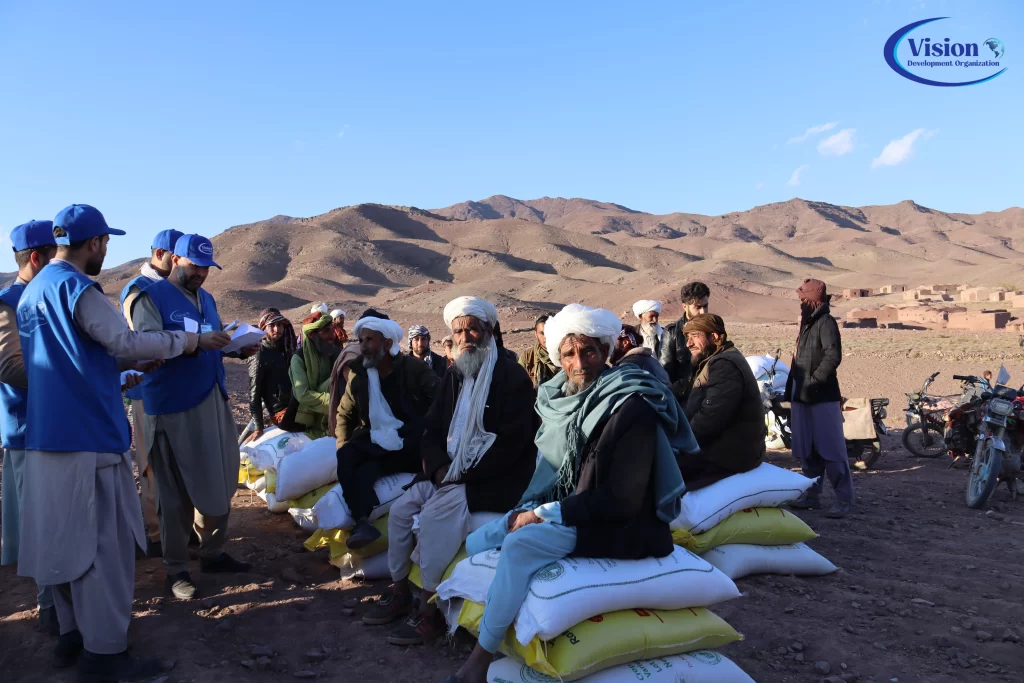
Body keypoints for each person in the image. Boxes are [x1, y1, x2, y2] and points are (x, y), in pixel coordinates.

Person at [443, 304, 698, 683]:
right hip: (576, 506)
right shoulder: (562, 403)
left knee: (519, 545)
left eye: (589, 351)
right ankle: (483, 620)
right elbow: (555, 473)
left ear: (606, 352)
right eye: (569, 353)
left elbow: (622, 500)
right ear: (558, 358)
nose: (579, 363)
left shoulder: (631, 409)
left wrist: (543, 515)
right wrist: (534, 507)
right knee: (480, 540)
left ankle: (481, 658)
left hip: (624, 525)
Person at [17, 204, 215, 681]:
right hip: (88, 440)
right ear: (95, 243)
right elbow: (122, 342)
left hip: (46, 437)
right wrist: (184, 343)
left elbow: (72, 362)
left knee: (62, 546)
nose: (107, 250)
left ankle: (72, 636)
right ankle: (104, 656)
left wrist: (121, 377)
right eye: (106, 242)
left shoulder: (31, 293)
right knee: (101, 553)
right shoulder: (76, 288)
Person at [364, 297, 537, 645]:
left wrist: (461, 477)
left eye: (473, 328)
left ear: (490, 331)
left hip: (490, 480)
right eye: (459, 330)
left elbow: (513, 445)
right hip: (449, 473)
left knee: (433, 519)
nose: (465, 336)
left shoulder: (512, 377)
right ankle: (399, 589)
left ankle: (429, 609)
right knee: (399, 512)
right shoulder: (454, 375)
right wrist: (439, 468)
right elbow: (432, 430)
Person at [132, 233, 256, 601]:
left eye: (206, 268)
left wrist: (235, 349)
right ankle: (176, 569)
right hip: (171, 405)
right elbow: (146, 344)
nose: (201, 273)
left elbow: (210, 342)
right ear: (174, 260)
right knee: (174, 492)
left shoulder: (207, 299)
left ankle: (213, 553)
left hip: (211, 398)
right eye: (195, 266)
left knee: (219, 477)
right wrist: (195, 345)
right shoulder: (148, 297)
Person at [0, 220, 59, 635]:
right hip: (26, 431)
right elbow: (9, 367)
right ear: (36, 258)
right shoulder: (7, 303)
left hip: (58, 426)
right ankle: (49, 607)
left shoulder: (50, 293)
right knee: (41, 524)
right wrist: (69, 376)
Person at [336, 315, 441, 549]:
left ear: (387, 344)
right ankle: (362, 522)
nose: (363, 347)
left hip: (412, 443)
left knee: (369, 468)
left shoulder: (413, 369)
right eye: (361, 340)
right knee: (350, 458)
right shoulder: (360, 374)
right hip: (377, 441)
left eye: (369, 340)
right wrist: (342, 446)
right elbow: (345, 413)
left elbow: (442, 400)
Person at [118, 228, 184, 556]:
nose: (181, 265)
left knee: (177, 464)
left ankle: (179, 530)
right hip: (148, 392)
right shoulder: (137, 291)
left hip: (179, 391)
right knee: (152, 465)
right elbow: (140, 342)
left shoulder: (176, 288)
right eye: (176, 258)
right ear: (159, 254)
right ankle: (157, 535)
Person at [785, 279, 853, 519]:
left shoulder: (826, 322)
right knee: (809, 450)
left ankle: (844, 499)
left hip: (822, 397)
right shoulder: (808, 324)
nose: (801, 304)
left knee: (831, 450)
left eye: (803, 300)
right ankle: (812, 496)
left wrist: (813, 381)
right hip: (802, 396)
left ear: (813, 300)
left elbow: (833, 356)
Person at [679, 314, 764, 490]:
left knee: (665, 475)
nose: (689, 344)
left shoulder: (724, 364)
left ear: (715, 337)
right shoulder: (712, 360)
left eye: (695, 336)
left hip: (729, 454)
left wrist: (681, 443)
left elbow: (710, 418)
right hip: (720, 447)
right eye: (688, 338)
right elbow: (684, 388)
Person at [243, 308, 301, 444]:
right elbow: (254, 393)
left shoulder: (286, 348)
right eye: (272, 325)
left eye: (280, 325)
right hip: (281, 411)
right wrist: (258, 427)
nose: (277, 329)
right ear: (263, 328)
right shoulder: (259, 353)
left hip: (296, 404)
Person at [289, 314, 340, 439]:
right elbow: (303, 394)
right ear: (312, 335)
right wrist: (334, 402)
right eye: (326, 332)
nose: (332, 336)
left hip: (335, 412)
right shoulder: (298, 358)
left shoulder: (335, 353)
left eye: (332, 330)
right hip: (311, 414)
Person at [660, 281, 710, 402]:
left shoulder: (713, 330)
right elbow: (665, 374)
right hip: (683, 400)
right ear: (684, 306)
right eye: (697, 307)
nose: (703, 311)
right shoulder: (672, 333)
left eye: (705, 306)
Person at [518, 314, 557, 388]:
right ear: (536, 334)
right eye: (542, 333)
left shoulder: (566, 354)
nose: (546, 337)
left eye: (550, 332)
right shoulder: (528, 357)